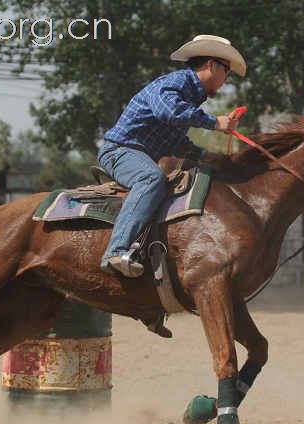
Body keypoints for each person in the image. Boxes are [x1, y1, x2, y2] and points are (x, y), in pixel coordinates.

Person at [97, 35, 247, 277]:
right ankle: (115, 251)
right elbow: (170, 112)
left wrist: (208, 156)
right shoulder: (175, 83)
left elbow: (177, 142)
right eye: (226, 71)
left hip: (137, 153)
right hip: (120, 151)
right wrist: (215, 123)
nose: (226, 79)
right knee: (150, 179)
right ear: (211, 65)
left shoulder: (189, 96)